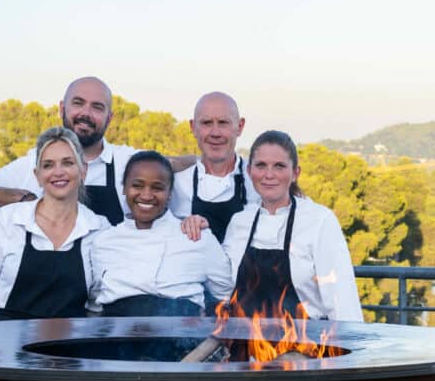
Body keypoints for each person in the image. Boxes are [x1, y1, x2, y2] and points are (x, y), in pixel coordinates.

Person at [0, 76, 196, 224]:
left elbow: (179, 162)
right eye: (78, 103)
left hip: (112, 285)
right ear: (62, 109)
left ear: (109, 119)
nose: (86, 113)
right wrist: (20, 199)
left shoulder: (126, 162)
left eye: (97, 107)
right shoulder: (34, 162)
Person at [0, 127, 108, 322]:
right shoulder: (10, 220)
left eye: (68, 163)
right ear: (37, 175)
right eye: (48, 165)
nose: (58, 172)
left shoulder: (98, 229)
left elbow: (97, 305)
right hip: (7, 345)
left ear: (84, 171)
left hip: (69, 347)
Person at [222, 130, 363, 321]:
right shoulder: (240, 222)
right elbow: (224, 289)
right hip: (246, 344)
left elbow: (342, 299)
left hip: (304, 344)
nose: (269, 174)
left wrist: (351, 345)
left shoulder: (319, 220)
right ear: (249, 171)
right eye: (261, 165)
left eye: (279, 166)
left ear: (295, 172)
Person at [90, 151, 232, 316]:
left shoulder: (197, 237)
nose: (146, 195)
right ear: (124, 188)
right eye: (137, 185)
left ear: (170, 193)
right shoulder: (103, 242)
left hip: (181, 339)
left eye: (157, 188)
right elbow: (94, 306)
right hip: (117, 338)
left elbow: (226, 294)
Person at [170, 91, 260, 242]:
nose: (215, 133)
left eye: (223, 122)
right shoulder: (175, 186)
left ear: (240, 126)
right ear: (193, 127)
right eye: (206, 123)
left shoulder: (261, 181)